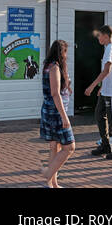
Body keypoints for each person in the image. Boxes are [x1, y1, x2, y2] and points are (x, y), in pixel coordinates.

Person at [86, 25, 112, 160]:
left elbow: (107, 71)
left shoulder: (110, 48)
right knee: (99, 115)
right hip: (106, 89)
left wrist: (92, 86)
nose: (98, 38)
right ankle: (105, 145)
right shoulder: (108, 48)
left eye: (99, 35)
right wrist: (101, 87)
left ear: (105, 35)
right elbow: (107, 74)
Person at [40, 39, 75, 188]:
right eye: (65, 52)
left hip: (49, 110)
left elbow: (58, 89)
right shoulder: (54, 67)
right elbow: (55, 93)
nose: (66, 56)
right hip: (55, 113)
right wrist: (64, 116)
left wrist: (67, 86)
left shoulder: (50, 66)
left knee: (55, 146)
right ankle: (48, 173)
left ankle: (53, 184)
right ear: (61, 53)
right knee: (70, 147)